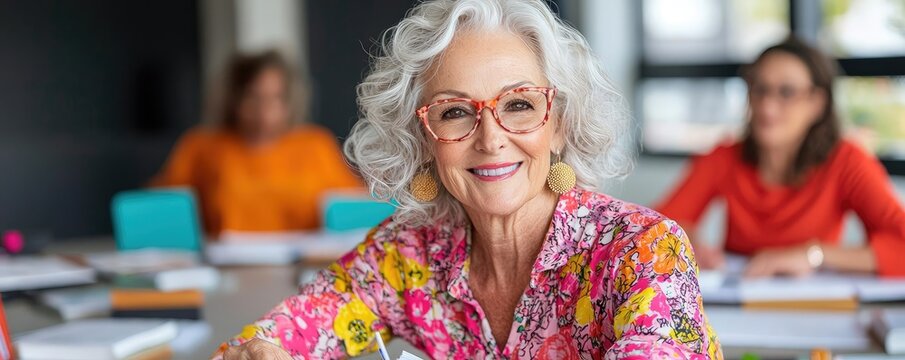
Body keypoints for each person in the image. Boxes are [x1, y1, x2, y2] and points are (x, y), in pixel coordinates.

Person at [216, 0, 722, 358]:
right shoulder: (408, 255)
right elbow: (269, 339)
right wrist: (263, 350)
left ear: (560, 125)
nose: (491, 138)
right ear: (423, 138)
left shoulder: (644, 251)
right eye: (455, 112)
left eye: (519, 104)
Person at [656, 37, 905, 278]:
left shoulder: (847, 162)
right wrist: (689, 244)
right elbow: (655, 228)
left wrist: (814, 254)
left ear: (817, 103)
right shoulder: (724, 157)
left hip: (815, 300)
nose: (767, 106)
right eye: (760, 89)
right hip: (738, 298)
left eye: (786, 92)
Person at [151, 50, 361, 235]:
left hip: (304, 261)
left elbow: (353, 206)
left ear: (289, 100)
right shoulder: (201, 146)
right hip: (225, 261)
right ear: (234, 99)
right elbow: (160, 210)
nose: (264, 110)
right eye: (253, 97)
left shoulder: (316, 145)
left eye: (275, 98)